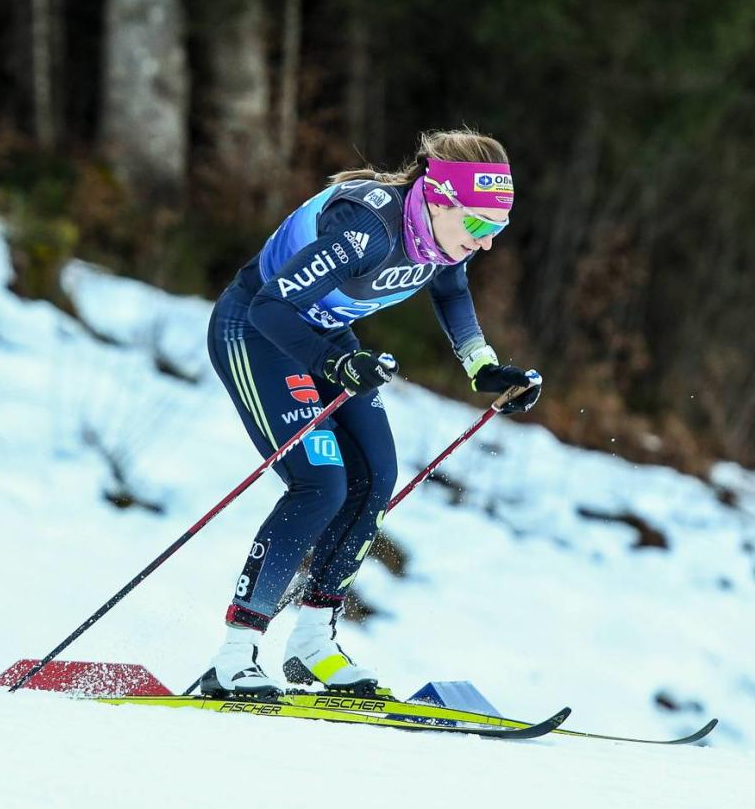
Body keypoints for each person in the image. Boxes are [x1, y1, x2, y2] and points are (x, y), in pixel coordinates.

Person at [200, 128, 541, 698]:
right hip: (257, 333)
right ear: (438, 198)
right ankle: (234, 654)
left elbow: (452, 291)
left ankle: (312, 644)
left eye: (497, 229)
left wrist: (482, 366)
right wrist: (335, 365)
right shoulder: (366, 230)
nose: (485, 244)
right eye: (479, 225)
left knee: (377, 476)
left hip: (325, 339)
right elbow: (270, 308)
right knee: (320, 483)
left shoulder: (438, 238)